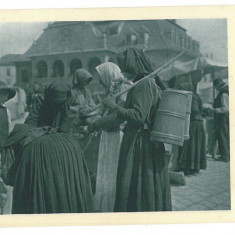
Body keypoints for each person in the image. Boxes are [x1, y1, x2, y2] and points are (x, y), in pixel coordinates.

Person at [102, 48, 172, 212]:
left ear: (132, 65)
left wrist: (113, 106)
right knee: (146, 183)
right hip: (145, 140)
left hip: (140, 143)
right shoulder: (148, 82)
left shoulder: (142, 84)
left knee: (138, 182)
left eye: (124, 67)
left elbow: (138, 116)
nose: (123, 72)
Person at [0, 123, 94, 214]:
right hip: (70, 145)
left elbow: (12, 180)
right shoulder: (48, 134)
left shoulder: (31, 149)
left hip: (49, 149)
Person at [88, 62, 128, 212]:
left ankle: (111, 206)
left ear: (108, 75)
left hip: (117, 135)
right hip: (107, 135)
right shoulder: (110, 91)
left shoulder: (124, 88)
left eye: (101, 77)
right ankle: (104, 204)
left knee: (112, 171)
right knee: (105, 170)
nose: (99, 81)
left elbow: (119, 117)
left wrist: (97, 123)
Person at [177, 83, 207, 176]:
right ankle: (195, 168)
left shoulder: (192, 97)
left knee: (192, 145)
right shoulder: (195, 96)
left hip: (194, 123)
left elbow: (194, 110)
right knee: (196, 146)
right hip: (198, 123)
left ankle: (190, 168)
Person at [0, 82, 15, 214]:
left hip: (4, 152)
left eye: (5, 94)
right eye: (1, 93)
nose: (3, 97)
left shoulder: (7, 112)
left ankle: (5, 216)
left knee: (6, 185)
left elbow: (9, 131)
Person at [212, 78, 229, 162]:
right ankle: (226, 155)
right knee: (225, 135)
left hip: (223, 117)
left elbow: (226, 108)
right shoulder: (226, 91)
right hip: (224, 117)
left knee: (223, 135)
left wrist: (215, 110)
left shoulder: (224, 93)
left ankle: (225, 156)